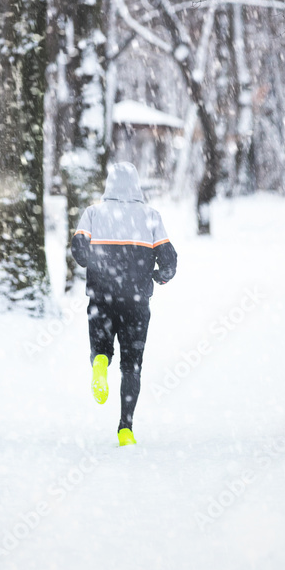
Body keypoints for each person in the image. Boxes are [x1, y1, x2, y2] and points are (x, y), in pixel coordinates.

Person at [71, 162, 178, 446]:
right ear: (136, 186)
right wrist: (157, 277)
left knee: (101, 346)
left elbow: (78, 251)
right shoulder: (151, 216)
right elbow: (169, 261)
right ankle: (125, 427)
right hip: (136, 302)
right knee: (132, 365)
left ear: (108, 184)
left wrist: (98, 265)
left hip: (101, 299)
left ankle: (100, 363)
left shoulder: (93, 213)